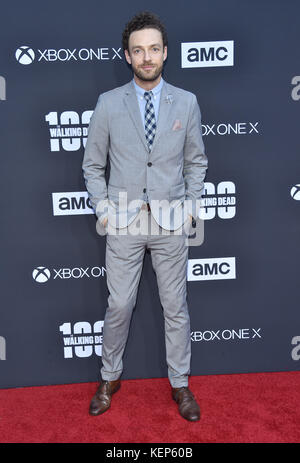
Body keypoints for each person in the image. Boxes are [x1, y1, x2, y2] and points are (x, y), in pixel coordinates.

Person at [82, 11, 208, 422]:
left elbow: (196, 163)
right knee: (119, 305)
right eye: (139, 50)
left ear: (165, 52)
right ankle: (109, 377)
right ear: (127, 55)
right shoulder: (108, 104)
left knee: (176, 307)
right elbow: (92, 166)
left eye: (154, 49)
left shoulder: (186, 102)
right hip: (124, 222)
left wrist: (190, 206)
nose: (147, 56)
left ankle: (180, 383)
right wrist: (104, 209)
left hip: (171, 221)